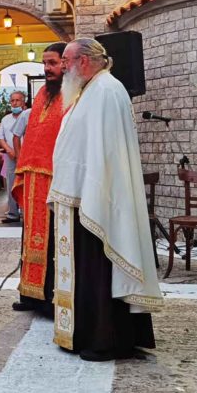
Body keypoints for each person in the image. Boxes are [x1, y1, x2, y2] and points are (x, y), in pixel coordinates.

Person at [49, 38, 162, 360]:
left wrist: (93, 193)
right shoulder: (89, 91)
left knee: (99, 270)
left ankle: (107, 339)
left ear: (84, 61)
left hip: (97, 199)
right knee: (88, 272)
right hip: (80, 197)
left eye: (67, 62)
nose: (64, 68)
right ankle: (86, 333)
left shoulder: (107, 91)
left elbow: (105, 154)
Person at [11, 42, 67, 314]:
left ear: (65, 63)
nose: (47, 69)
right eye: (45, 63)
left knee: (54, 240)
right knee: (30, 238)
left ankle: (49, 298)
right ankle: (30, 294)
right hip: (34, 177)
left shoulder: (73, 94)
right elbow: (33, 135)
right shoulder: (43, 92)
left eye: (52, 63)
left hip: (57, 178)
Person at [0, 91, 28, 223]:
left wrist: (21, 151)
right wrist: (9, 150)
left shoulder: (28, 116)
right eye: (12, 101)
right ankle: (13, 213)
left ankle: (26, 212)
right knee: (11, 184)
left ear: (23, 102)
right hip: (10, 157)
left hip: (26, 156)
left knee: (26, 184)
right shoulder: (5, 119)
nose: (14, 103)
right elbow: (0, 137)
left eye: (17, 100)